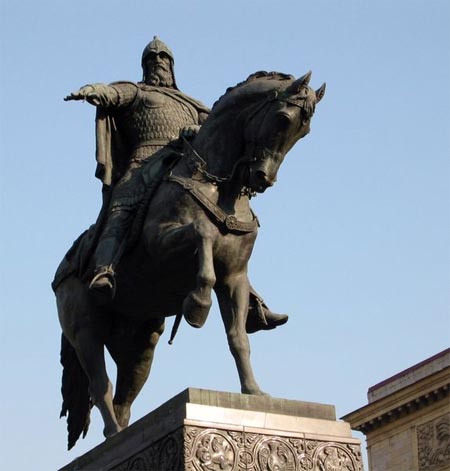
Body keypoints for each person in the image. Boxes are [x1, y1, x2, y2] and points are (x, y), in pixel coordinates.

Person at [65, 36, 287, 333]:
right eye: (152, 58)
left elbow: (217, 127)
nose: (158, 61)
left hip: (186, 164)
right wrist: (96, 90)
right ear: (145, 65)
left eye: (163, 58)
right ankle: (105, 270)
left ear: (171, 65)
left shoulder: (190, 103)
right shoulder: (137, 91)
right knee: (121, 207)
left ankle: (250, 303)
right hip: (142, 164)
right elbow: (114, 94)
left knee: (227, 220)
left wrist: (200, 129)